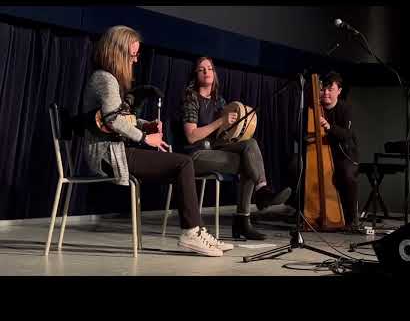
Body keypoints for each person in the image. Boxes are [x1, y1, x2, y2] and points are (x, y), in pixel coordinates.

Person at [82, 25, 233, 257]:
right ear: (118, 53)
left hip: (116, 151)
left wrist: (145, 125)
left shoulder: (109, 79)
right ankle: (191, 232)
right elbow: (113, 120)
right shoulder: (105, 79)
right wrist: (146, 138)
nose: (135, 60)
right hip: (108, 156)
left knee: (180, 167)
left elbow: (119, 117)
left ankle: (196, 229)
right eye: (132, 55)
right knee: (183, 163)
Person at [181, 56, 291, 240]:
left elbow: (224, 137)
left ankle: (261, 190)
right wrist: (221, 121)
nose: (207, 71)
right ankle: (244, 219)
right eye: (202, 69)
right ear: (196, 75)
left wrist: (235, 129)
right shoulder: (190, 98)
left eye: (210, 68)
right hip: (196, 155)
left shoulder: (220, 102)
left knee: (251, 145)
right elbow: (191, 136)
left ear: (215, 74)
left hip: (216, 150)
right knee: (248, 163)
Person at [317, 71, 359, 229]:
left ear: (339, 91)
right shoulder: (314, 108)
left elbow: (346, 134)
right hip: (320, 153)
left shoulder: (345, 109)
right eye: (323, 89)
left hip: (344, 154)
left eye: (330, 89)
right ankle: (303, 211)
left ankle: (352, 219)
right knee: (296, 165)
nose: (326, 93)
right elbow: (296, 132)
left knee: (347, 174)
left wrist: (329, 127)